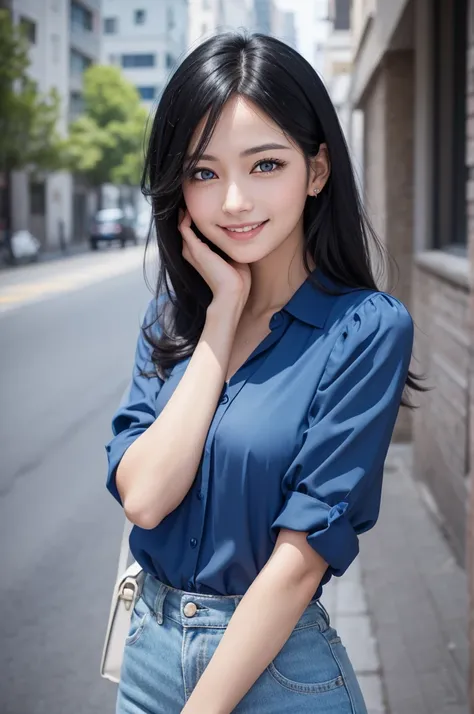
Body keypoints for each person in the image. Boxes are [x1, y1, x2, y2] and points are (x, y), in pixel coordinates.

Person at [105, 31, 424, 714]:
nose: (235, 203)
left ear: (316, 171)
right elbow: (146, 497)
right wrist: (221, 319)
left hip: (279, 676)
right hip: (148, 660)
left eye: (265, 165)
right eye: (203, 172)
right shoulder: (174, 318)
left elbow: (303, 555)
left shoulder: (365, 329)